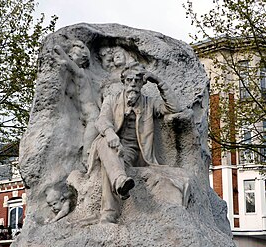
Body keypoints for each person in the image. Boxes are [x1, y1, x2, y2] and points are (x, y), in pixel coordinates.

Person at [89, 62, 181, 223]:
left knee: (110, 161)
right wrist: (110, 133)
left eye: (137, 80)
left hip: (133, 152)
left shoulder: (150, 103)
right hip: (111, 144)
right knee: (104, 144)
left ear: (142, 83)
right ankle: (119, 182)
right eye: (129, 80)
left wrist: (159, 81)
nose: (133, 84)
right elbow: (102, 121)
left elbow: (174, 107)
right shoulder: (111, 100)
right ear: (123, 82)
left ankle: (110, 210)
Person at [53, 40, 100, 169]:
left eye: (75, 54)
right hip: (84, 118)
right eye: (71, 53)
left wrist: (59, 49)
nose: (71, 55)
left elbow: (67, 62)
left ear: (82, 60)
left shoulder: (80, 73)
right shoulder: (77, 76)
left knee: (87, 155)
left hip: (92, 117)